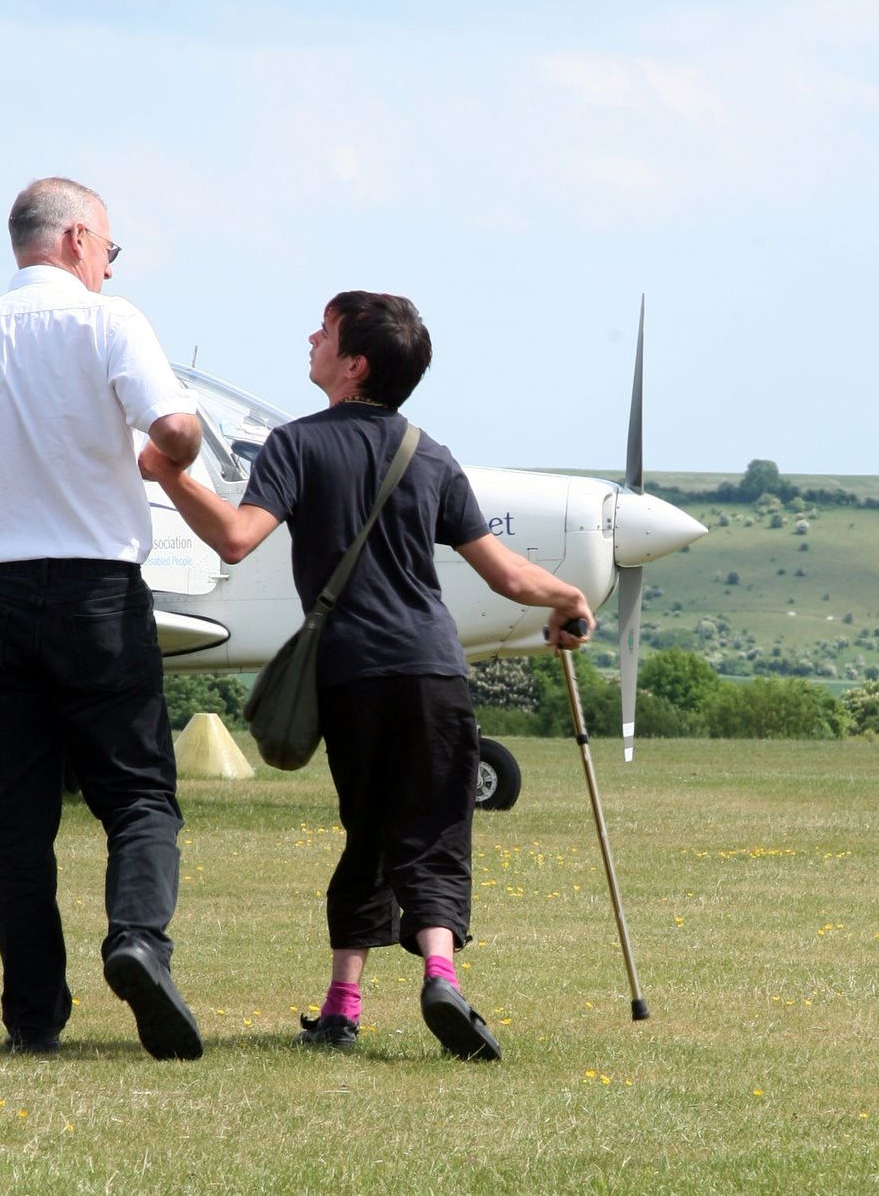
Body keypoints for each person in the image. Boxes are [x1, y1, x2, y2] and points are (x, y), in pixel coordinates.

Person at [139, 290, 594, 1062]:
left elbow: (237, 539)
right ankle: (441, 977)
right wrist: (569, 595)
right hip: (434, 670)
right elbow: (509, 577)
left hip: (349, 675)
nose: (311, 336)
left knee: (370, 832)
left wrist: (170, 477)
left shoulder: (294, 445)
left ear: (352, 365)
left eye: (326, 330)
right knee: (436, 835)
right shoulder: (431, 454)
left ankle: (343, 1007)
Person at [0, 177, 205, 1060]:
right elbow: (178, 428)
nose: (111, 265)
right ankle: (138, 941)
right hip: (99, 595)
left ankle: (34, 1016)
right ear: (77, 238)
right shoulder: (109, 324)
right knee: (140, 794)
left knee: (17, 822)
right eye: (110, 248)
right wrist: (164, 452)